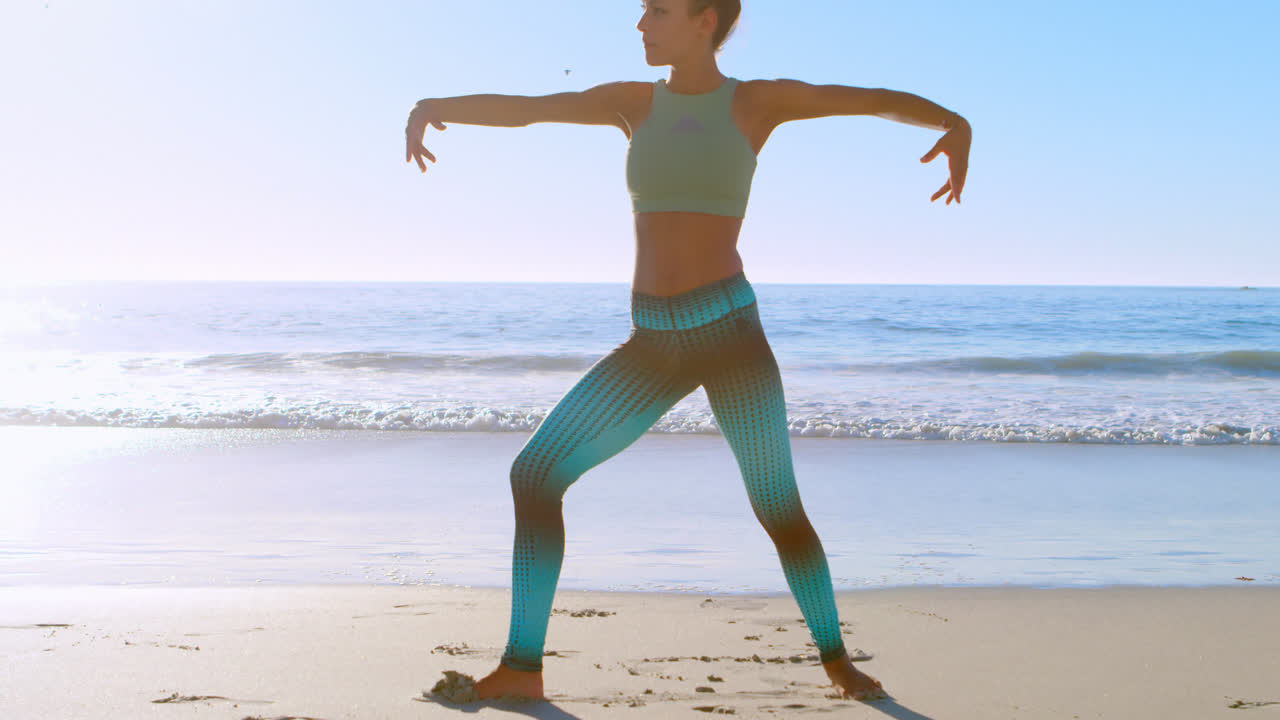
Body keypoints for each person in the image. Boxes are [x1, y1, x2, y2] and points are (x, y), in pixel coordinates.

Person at [405, 0, 970, 703]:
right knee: (536, 475)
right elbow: (533, 108)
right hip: (652, 344)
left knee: (777, 508)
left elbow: (871, 101)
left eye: (657, 11)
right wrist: (435, 104)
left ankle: (836, 660)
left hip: (728, 337)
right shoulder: (632, 104)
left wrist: (954, 123)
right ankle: (522, 668)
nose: (641, 25)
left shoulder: (758, 103)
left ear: (706, 19)